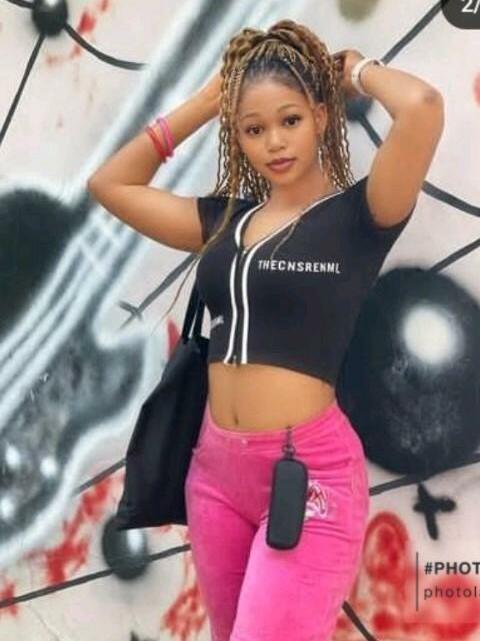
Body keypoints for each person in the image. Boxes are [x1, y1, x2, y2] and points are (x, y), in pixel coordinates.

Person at [87, 18, 444, 641]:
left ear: (321, 116)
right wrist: (208, 102)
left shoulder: (362, 216)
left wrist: (356, 70)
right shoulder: (226, 220)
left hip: (309, 477)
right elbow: (111, 185)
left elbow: (423, 108)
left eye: (290, 120)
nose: (274, 142)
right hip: (214, 477)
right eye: (253, 129)